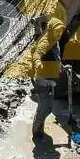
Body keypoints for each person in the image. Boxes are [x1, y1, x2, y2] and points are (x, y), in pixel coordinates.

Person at [31, 9, 66, 141]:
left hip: (49, 76)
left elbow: (56, 56)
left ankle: (39, 130)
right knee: (44, 107)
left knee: (46, 106)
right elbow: (37, 54)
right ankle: (37, 133)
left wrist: (61, 66)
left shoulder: (53, 40)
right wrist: (38, 62)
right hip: (43, 77)